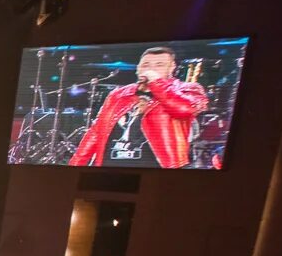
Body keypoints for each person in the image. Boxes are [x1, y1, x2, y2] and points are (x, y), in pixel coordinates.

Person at [69, 45, 209, 169]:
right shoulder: (119, 94)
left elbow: (184, 110)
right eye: (146, 64)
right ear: (138, 68)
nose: (151, 68)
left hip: (157, 172)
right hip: (110, 169)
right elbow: (96, 131)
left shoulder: (187, 89)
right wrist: (75, 165)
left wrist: (157, 83)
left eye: (159, 65)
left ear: (172, 67)